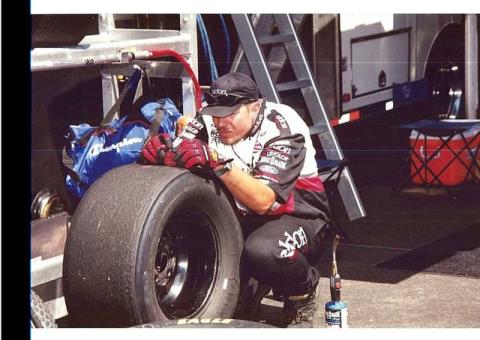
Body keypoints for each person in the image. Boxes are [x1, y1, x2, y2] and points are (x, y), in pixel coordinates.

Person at [141, 72, 331, 327]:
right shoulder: (209, 120)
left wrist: (217, 163)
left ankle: (302, 294)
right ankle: (252, 283)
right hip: (242, 213)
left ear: (254, 108)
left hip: (299, 213)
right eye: (216, 114)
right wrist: (162, 153)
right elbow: (182, 147)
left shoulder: (283, 126)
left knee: (265, 252)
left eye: (230, 115)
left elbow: (264, 201)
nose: (221, 123)